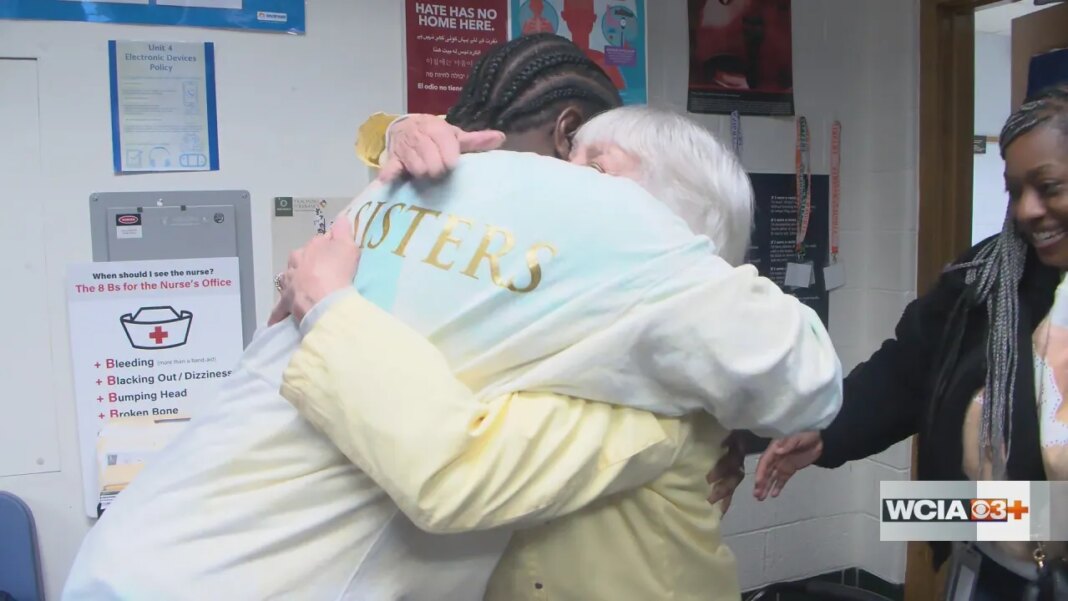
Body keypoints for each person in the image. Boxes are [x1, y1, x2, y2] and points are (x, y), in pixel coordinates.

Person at [64, 48, 841, 601]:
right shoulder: (543, 293)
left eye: (587, 175)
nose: (540, 194)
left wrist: (329, 306)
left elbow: (452, 464)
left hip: (144, 553)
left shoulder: (646, 370)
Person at [737, 84, 1068, 599]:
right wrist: (827, 431)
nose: (1027, 210)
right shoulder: (985, 278)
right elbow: (907, 372)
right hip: (989, 562)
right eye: (1014, 190)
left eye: (1048, 187)